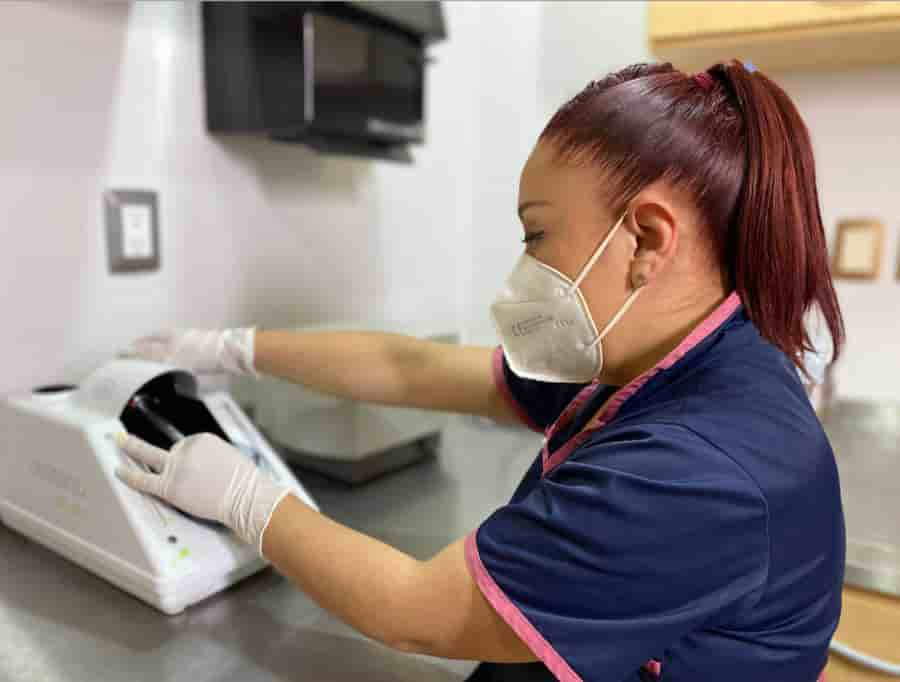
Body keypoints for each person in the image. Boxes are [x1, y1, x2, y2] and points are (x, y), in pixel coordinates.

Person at [120, 60, 845, 682]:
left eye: (538, 232)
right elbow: (412, 370)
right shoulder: (655, 356)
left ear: (648, 240)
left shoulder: (700, 472)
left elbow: (417, 612)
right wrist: (233, 347)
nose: (525, 265)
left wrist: (247, 499)